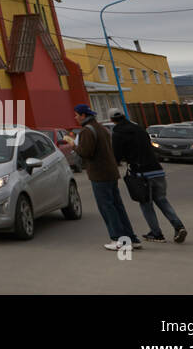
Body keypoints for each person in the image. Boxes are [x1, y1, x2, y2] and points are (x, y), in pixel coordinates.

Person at [66, 104, 141, 251]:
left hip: (99, 174)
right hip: (110, 172)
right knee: (117, 206)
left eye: (76, 114)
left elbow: (86, 152)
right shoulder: (102, 129)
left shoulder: (87, 131)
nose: (75, 117)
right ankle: (130, 238)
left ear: (83, 115)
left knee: (107, 207)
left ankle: (118, 239)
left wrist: (72, 144)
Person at [110, 109, 186, 243]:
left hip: (140, 173)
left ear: (112, 120)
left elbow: (117, 155)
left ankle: (156, 233)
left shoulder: (117, 133)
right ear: (123, 116)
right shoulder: (139, 128)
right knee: (162, 200)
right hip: (156, 169)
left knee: (146, 203)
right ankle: (178, 226)